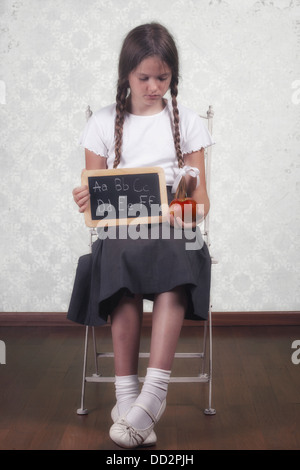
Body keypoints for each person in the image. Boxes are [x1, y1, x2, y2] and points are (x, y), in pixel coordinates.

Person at [68, 22, 214, 449]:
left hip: (175, 221)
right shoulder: (101, 123)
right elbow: (97, 204)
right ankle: (128, 395)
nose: (154, 87)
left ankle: (153, 393)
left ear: (174, 77)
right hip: (122, 223)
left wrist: (180, 211)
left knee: (175, 254)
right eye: (144, 78)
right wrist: (86, 198)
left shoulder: (185, 122)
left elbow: (200, 202)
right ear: (125, 76)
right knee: (118, 256)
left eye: (163, 78)